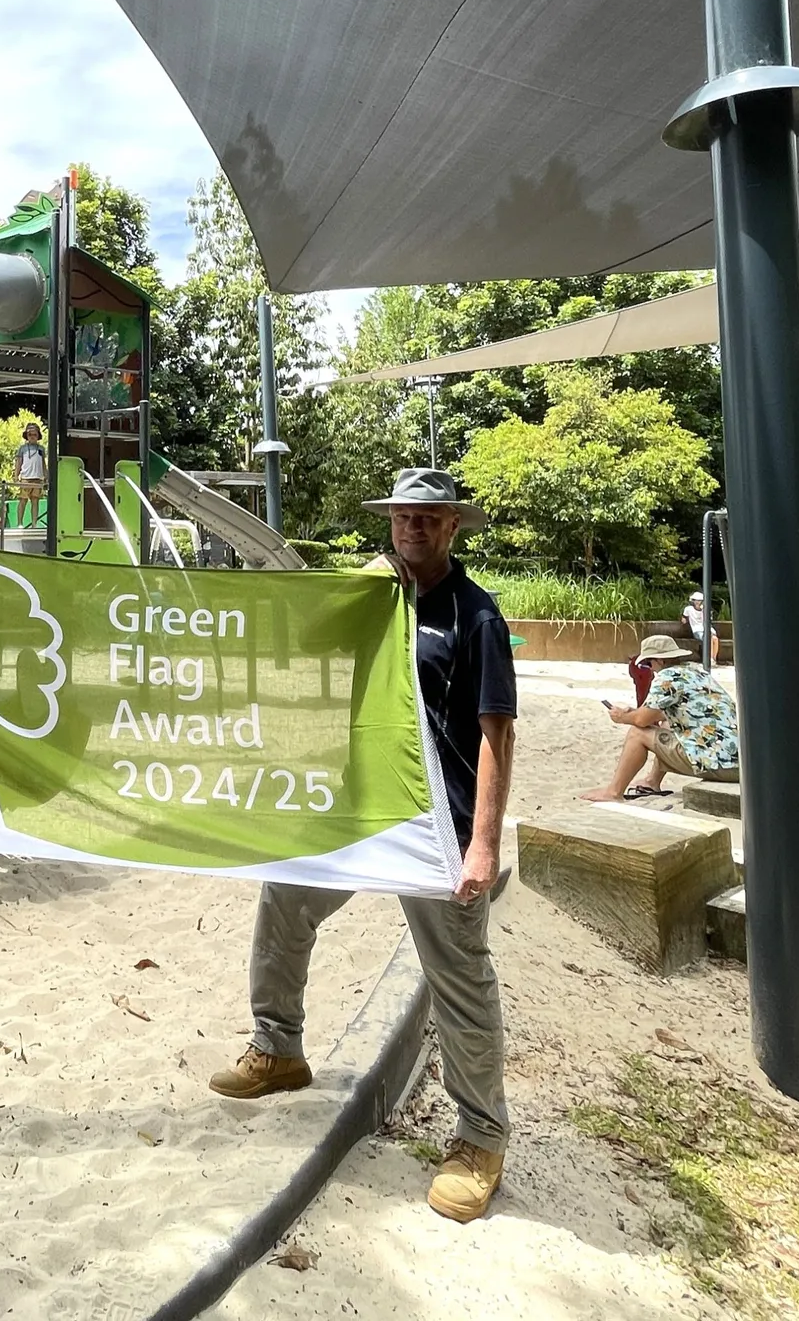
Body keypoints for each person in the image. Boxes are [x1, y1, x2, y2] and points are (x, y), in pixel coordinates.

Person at [208, 467, 518, 1224]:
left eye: (429, 517)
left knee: (458, 976)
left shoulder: (476, 617)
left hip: (434, 825)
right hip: (353, 813)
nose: (413, 527)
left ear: (453, 526)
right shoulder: (366, 598)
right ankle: (278, 1048)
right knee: (285, 899)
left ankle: (482, 1137)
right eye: (403, 516)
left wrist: (482, 847)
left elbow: (497, 737)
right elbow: (286, 634)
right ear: (390, 523)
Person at [581, 633, 739, 801]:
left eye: (648, 663)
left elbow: (641, 720)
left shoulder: (666, 678)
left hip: (718, 765)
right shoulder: (697, 673)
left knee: (637, 733)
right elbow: (665, 713)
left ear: (660, 661)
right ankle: (651, 781)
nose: (649, 668)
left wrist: (621, 717)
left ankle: (613, 792)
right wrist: (634, 713)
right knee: (667, 725)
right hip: (739, 762)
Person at [14, 421, 47, 508]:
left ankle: (34, 521)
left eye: (35, 435)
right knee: (22, 500)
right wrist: (16, 476)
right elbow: (19, 463)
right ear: (26, 436)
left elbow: (43, 464)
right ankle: (19, 522)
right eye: (30, 435)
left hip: (38, 479)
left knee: (35, 501)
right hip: (25, 478)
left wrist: (46, 476)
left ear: (38, 436)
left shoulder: (41, 449)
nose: (32, 437)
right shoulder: (23, 448)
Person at [683, 591, 720, 663]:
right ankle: (710, 658)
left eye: (699, 600)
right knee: (708, 638)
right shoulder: (688, 609)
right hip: (697, 630)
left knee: (715, 639)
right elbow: (684, 618)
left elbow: (708, 620)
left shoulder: (705, 609)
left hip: (707, 628)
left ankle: (714, 658)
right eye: (696, 600)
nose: (697, 602)